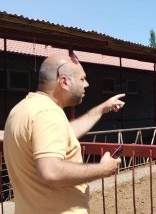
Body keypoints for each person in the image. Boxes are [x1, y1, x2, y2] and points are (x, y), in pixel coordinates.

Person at [3, 53, 125, 214]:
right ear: (64, 82)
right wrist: (103, 169)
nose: (87, 84)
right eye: (82, 79)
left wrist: (102, 108)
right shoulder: (48, 113)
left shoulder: (23, 109)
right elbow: (51, 171)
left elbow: (63, 134)